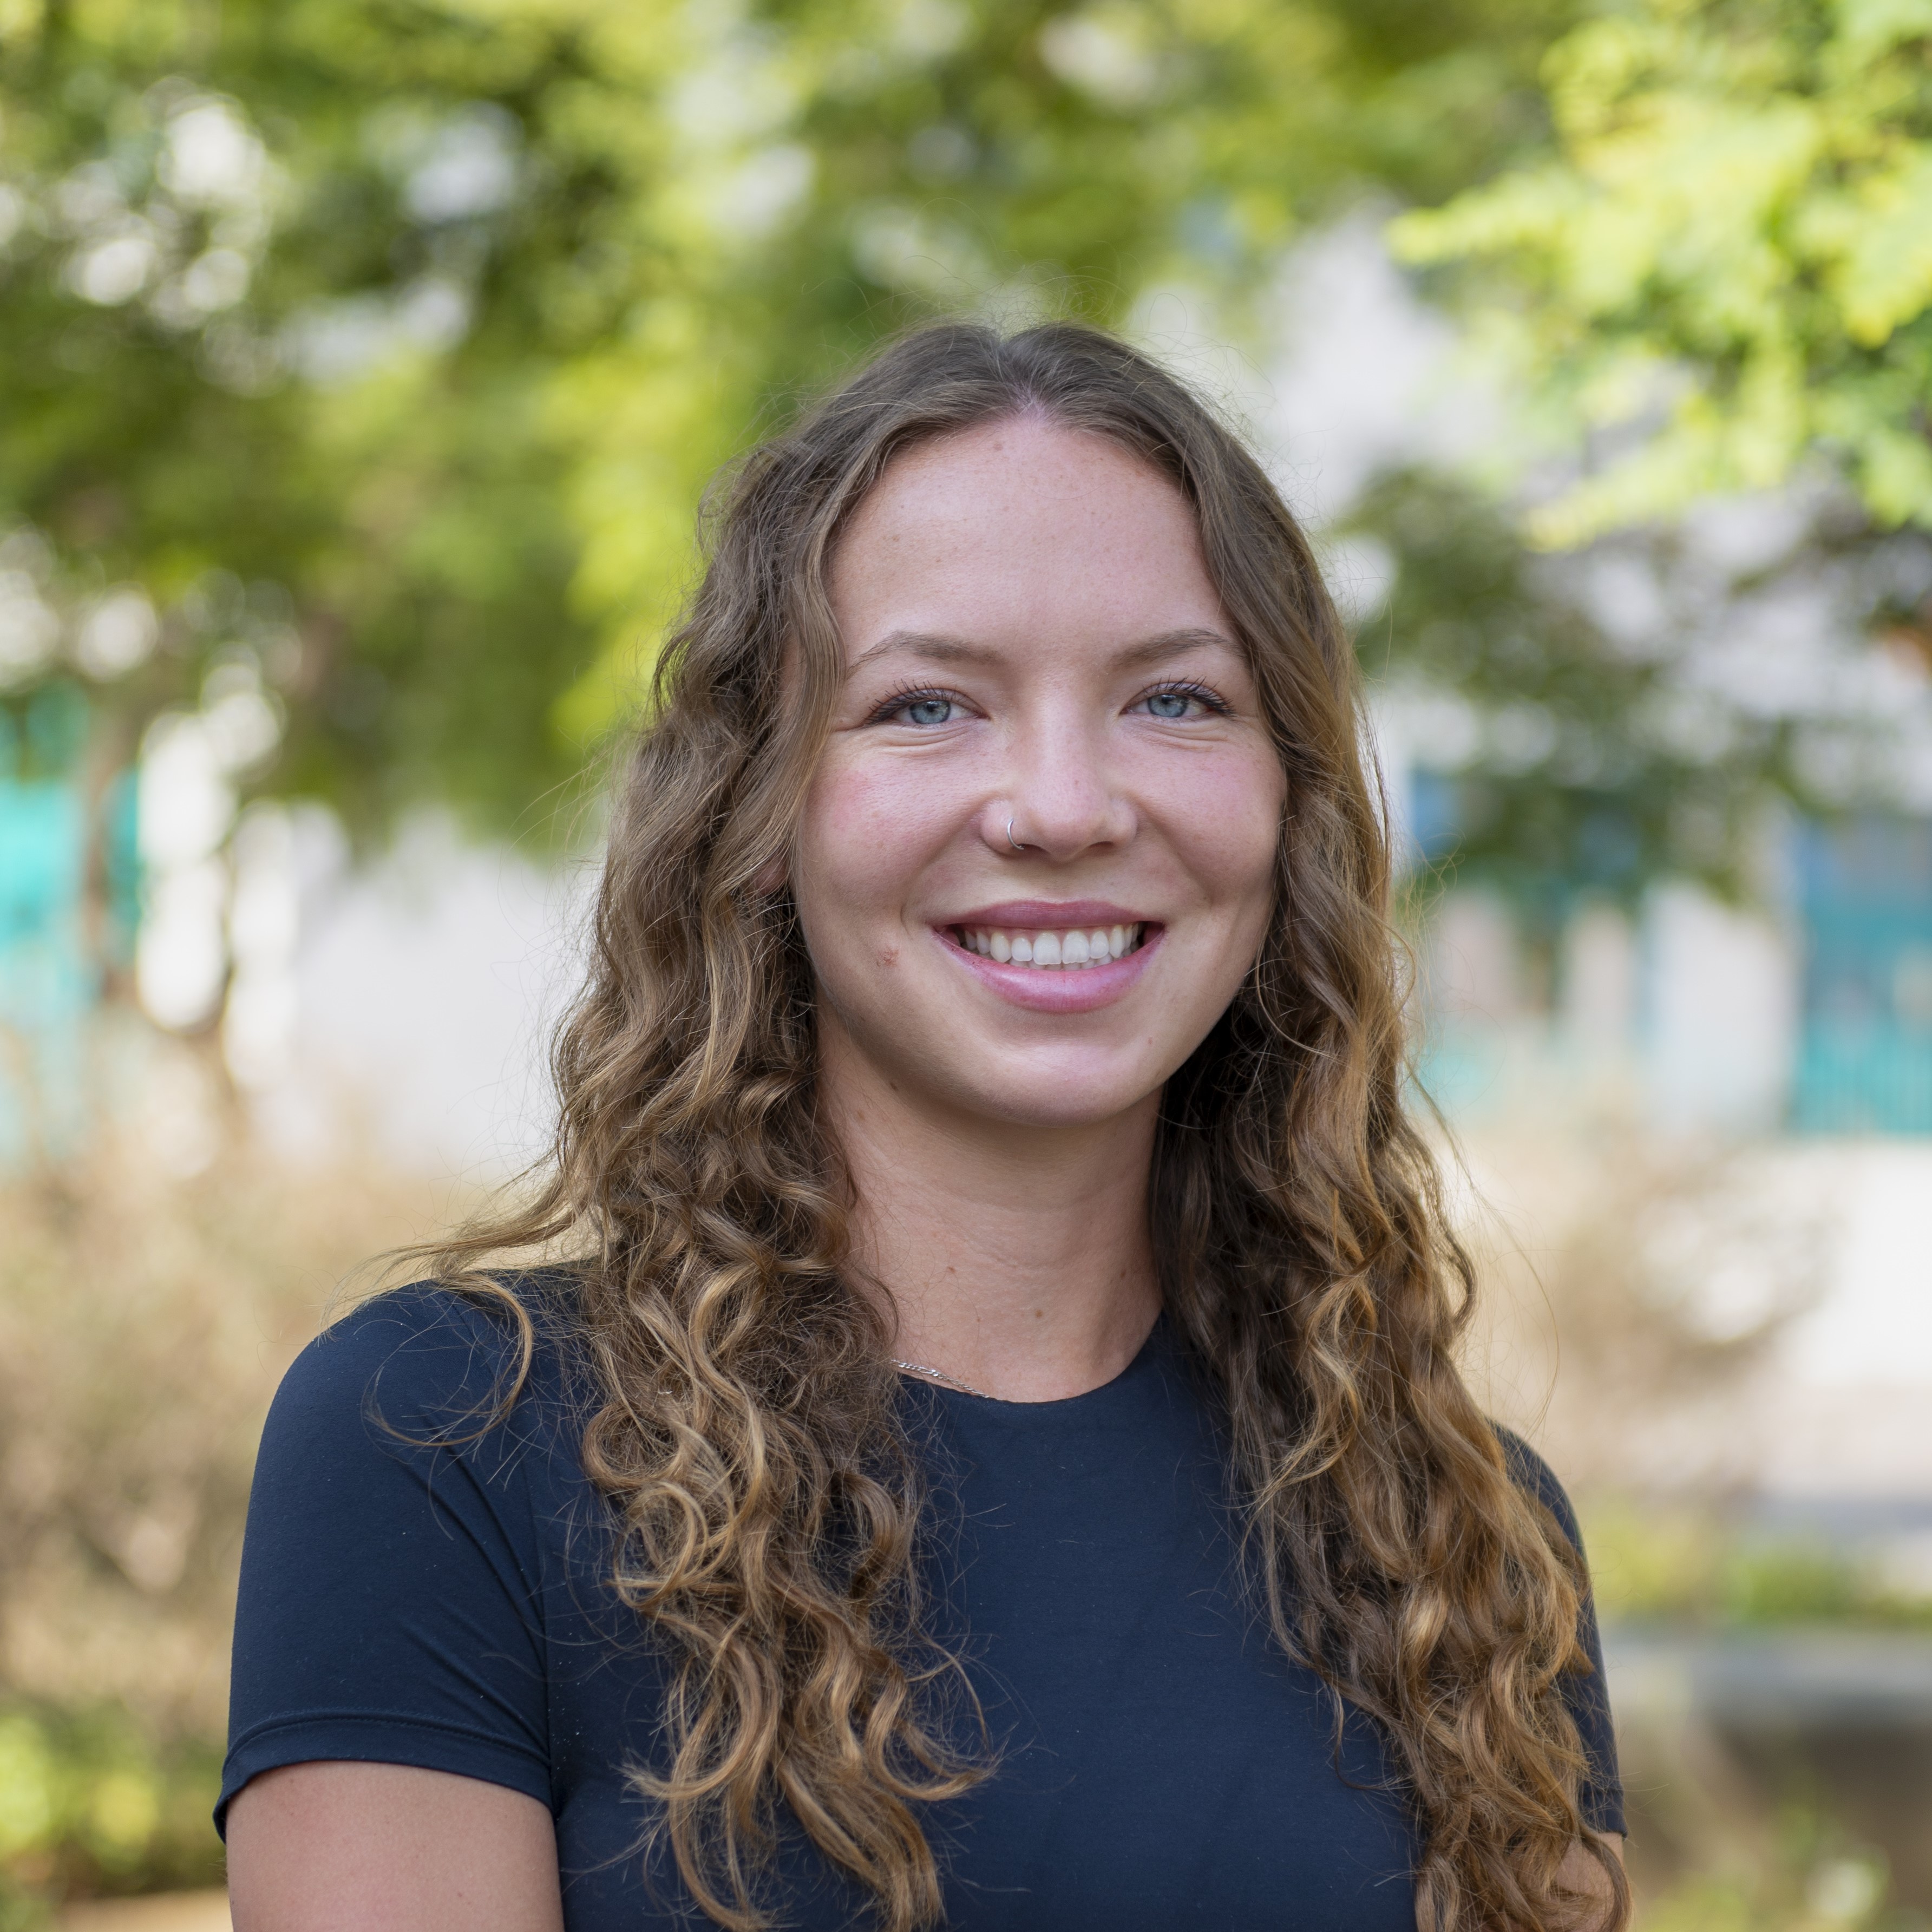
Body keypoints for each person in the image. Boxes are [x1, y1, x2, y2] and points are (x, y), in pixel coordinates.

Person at [220, 322, 1627, 1932]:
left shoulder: (1458, 1537)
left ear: (1287, 811)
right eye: (926, 707)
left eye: (1173, 698)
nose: (1059, 803)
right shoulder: (447, 1443)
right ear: (754, 817)